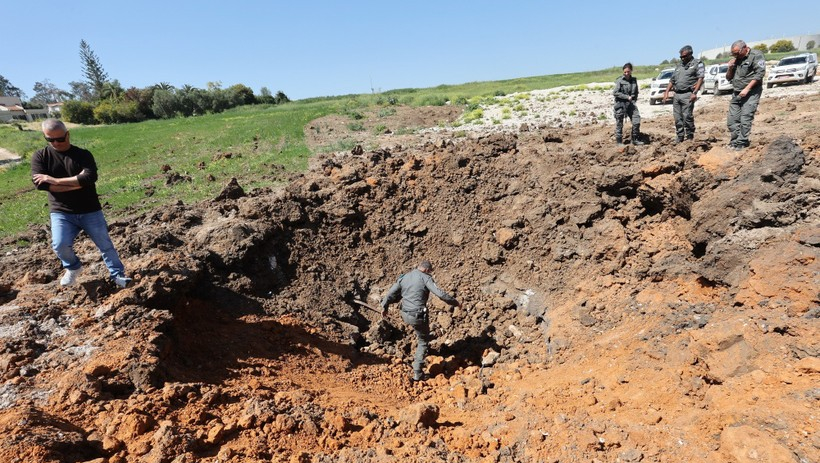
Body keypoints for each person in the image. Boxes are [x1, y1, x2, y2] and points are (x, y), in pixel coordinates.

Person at [31, 119, 132, 288]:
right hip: (61, 212)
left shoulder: (83, 155)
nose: (56, 143)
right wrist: (76, 183)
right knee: (59, 244)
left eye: (60, 139)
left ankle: (118, 275)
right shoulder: (40, 156)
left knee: (105, 244)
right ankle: (73, 267)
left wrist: (55, 180)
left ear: (67, 135)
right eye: (50, 140)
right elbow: (42, 185)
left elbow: (89, 178)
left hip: (90, 209)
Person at [381, 260, 462, 382]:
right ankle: (417, 373)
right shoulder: (425, 278)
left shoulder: (405, 276)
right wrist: (455, 303)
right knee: (423, 340)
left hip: (404, 313)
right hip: (417, 315)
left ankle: (420, 355)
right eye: (430, 272)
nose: (430, 274)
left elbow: (391, 293)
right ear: (426, 270)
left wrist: (384, 307)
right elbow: (440, 294)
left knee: (418, 333)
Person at [725, 39, 766, 150]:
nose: (735, 55)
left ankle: (742, 142)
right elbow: (728, 77)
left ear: (745, 48)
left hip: (751, 92)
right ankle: (734, 141)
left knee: (745, 118)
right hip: (736, 92)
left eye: (737, 53)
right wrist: (730, 67)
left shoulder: (756, 55)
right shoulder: (736, 59)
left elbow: (760, 74)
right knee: (732, 120)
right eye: (733, 54)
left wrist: (747, 88)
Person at [663, 45, 705, 142]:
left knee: (687, 116)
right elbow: (672, 80)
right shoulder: (679, 65)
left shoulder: (697, 63)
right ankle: (680, 136)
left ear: (690, 54)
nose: (682, 58)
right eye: (681, 57)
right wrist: (666, 92)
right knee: (677, 117)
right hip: (677, 95)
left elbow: (700, 78)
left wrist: (695, 92)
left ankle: (690, 135)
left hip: (688, 94)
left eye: (684, 56)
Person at [612, 62, 644, 145]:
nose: (626, 73)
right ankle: (619, 142)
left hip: (631, 104)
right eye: (625, 72)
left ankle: (635, 139)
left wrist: (633, 100)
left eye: (628, 72)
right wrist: (626, 97)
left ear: (631, 71)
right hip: (621, 104)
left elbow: (636, 92)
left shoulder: (634, 80)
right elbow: (615, 92)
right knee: (619, 123)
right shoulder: (620, 81)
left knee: (636, 120)